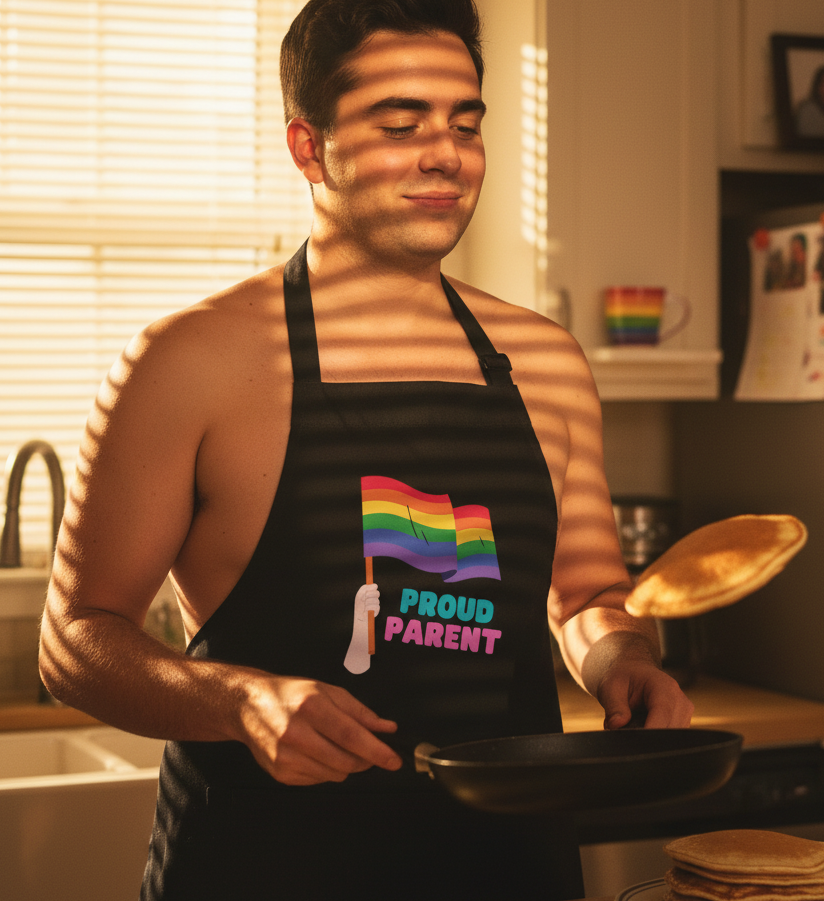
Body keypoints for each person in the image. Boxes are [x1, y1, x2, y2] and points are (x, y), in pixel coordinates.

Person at [38, 1, 693, 898]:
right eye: (401, 124)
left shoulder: (544, 362)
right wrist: (239, 699)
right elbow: (74, 642)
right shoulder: (194, 361)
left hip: (507, 869)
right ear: (308, 148)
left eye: (465, 124)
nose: (446, 154)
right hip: (262, 869)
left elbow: (585, 595)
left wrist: (625, 659)